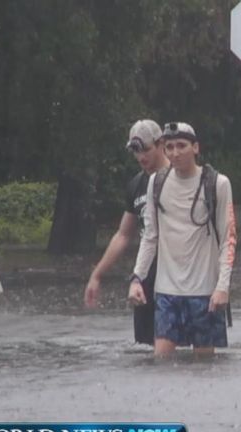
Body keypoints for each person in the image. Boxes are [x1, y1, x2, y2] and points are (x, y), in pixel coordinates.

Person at [127, 122, 236, 357]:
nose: (175, 153)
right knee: (162, 364)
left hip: (205, 293)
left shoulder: (217, 184)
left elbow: (228, 239)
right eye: (169, 147)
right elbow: (150, 237)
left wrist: (222, 287)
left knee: (204, 368)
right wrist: (137, 278)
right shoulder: (156, 183)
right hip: (167, 292)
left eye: (181, 146)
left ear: (195, 147)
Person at [84, 119, 169, 345]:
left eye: (147, 150)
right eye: (136, 153)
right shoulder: (135, 185)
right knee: (145, 352)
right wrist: (97, 274)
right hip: (146, 276)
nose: (142, 158)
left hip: (178, 276)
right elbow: (123, 235)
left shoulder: (179, 177)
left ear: (161, 144)